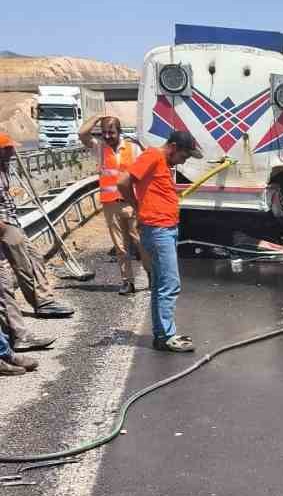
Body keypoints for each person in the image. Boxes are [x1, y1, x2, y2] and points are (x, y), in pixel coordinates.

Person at [118, 128, 201, 353]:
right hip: (158, 229)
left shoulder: (162, 162)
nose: (183, 161)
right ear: (173, 147)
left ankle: (162, 334)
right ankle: (165, 336)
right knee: (170, 283)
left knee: (160, 284)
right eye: (184, 155)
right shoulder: (153, 155)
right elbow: (123, 182)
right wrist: (137, 206)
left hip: (163, 228)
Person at [0, 133, 75, 319]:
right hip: (4, 223)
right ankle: (40, 304)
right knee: (24, 266)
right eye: (8, 149)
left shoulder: (5, 166)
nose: (13, 151)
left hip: (12, 220)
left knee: (35, 258)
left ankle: (45, 299)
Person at [79, 112, 149, 295]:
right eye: (104, 132)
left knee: (140, 243)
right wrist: (97, 117)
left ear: (119, 132)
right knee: (120, 246)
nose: (107, 136)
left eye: (111, 132)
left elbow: (145, 171)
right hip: (110, 205)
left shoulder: (133, 148)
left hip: (132, 203)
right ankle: (127, 282)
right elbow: (82, 134)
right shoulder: (100, 148)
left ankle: (151, 275)